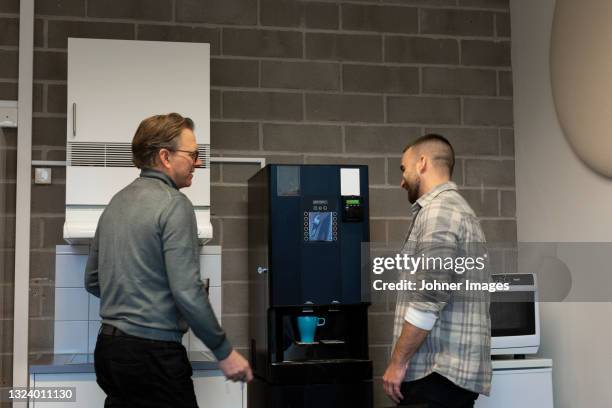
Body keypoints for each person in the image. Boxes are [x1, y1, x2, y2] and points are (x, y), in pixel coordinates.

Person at [85, 113, 252, 408]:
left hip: (109, 351)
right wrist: (224, 351)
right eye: (193, 154)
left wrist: (134, 298)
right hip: (152, 356)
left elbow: (93, 280)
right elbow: (187, 291)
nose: (198, 163)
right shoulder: (174, 204)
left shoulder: (116, 203)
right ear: (165, 156)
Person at [383, 134, 491, 407]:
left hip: (436, 376)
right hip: (447, 380)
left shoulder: (439, 211)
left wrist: (397, 363)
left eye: (403, 168)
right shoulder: (459, 210)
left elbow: (428, 297)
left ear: (421, 163)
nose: (402, 180)